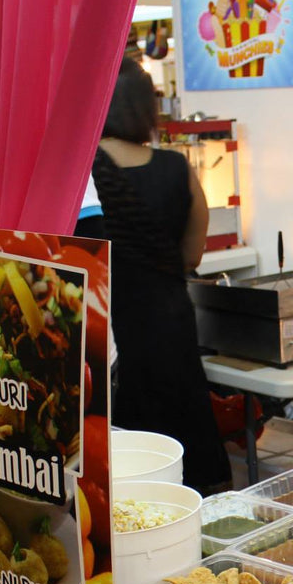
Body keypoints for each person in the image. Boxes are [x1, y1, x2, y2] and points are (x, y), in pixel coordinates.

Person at [90, 58, 231, 493]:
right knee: (185, 432)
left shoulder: (84, 175)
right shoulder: (176, 168)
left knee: (131, 457)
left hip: (112, 329)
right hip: (169, 322)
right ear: (147, 109)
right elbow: (191, 254)